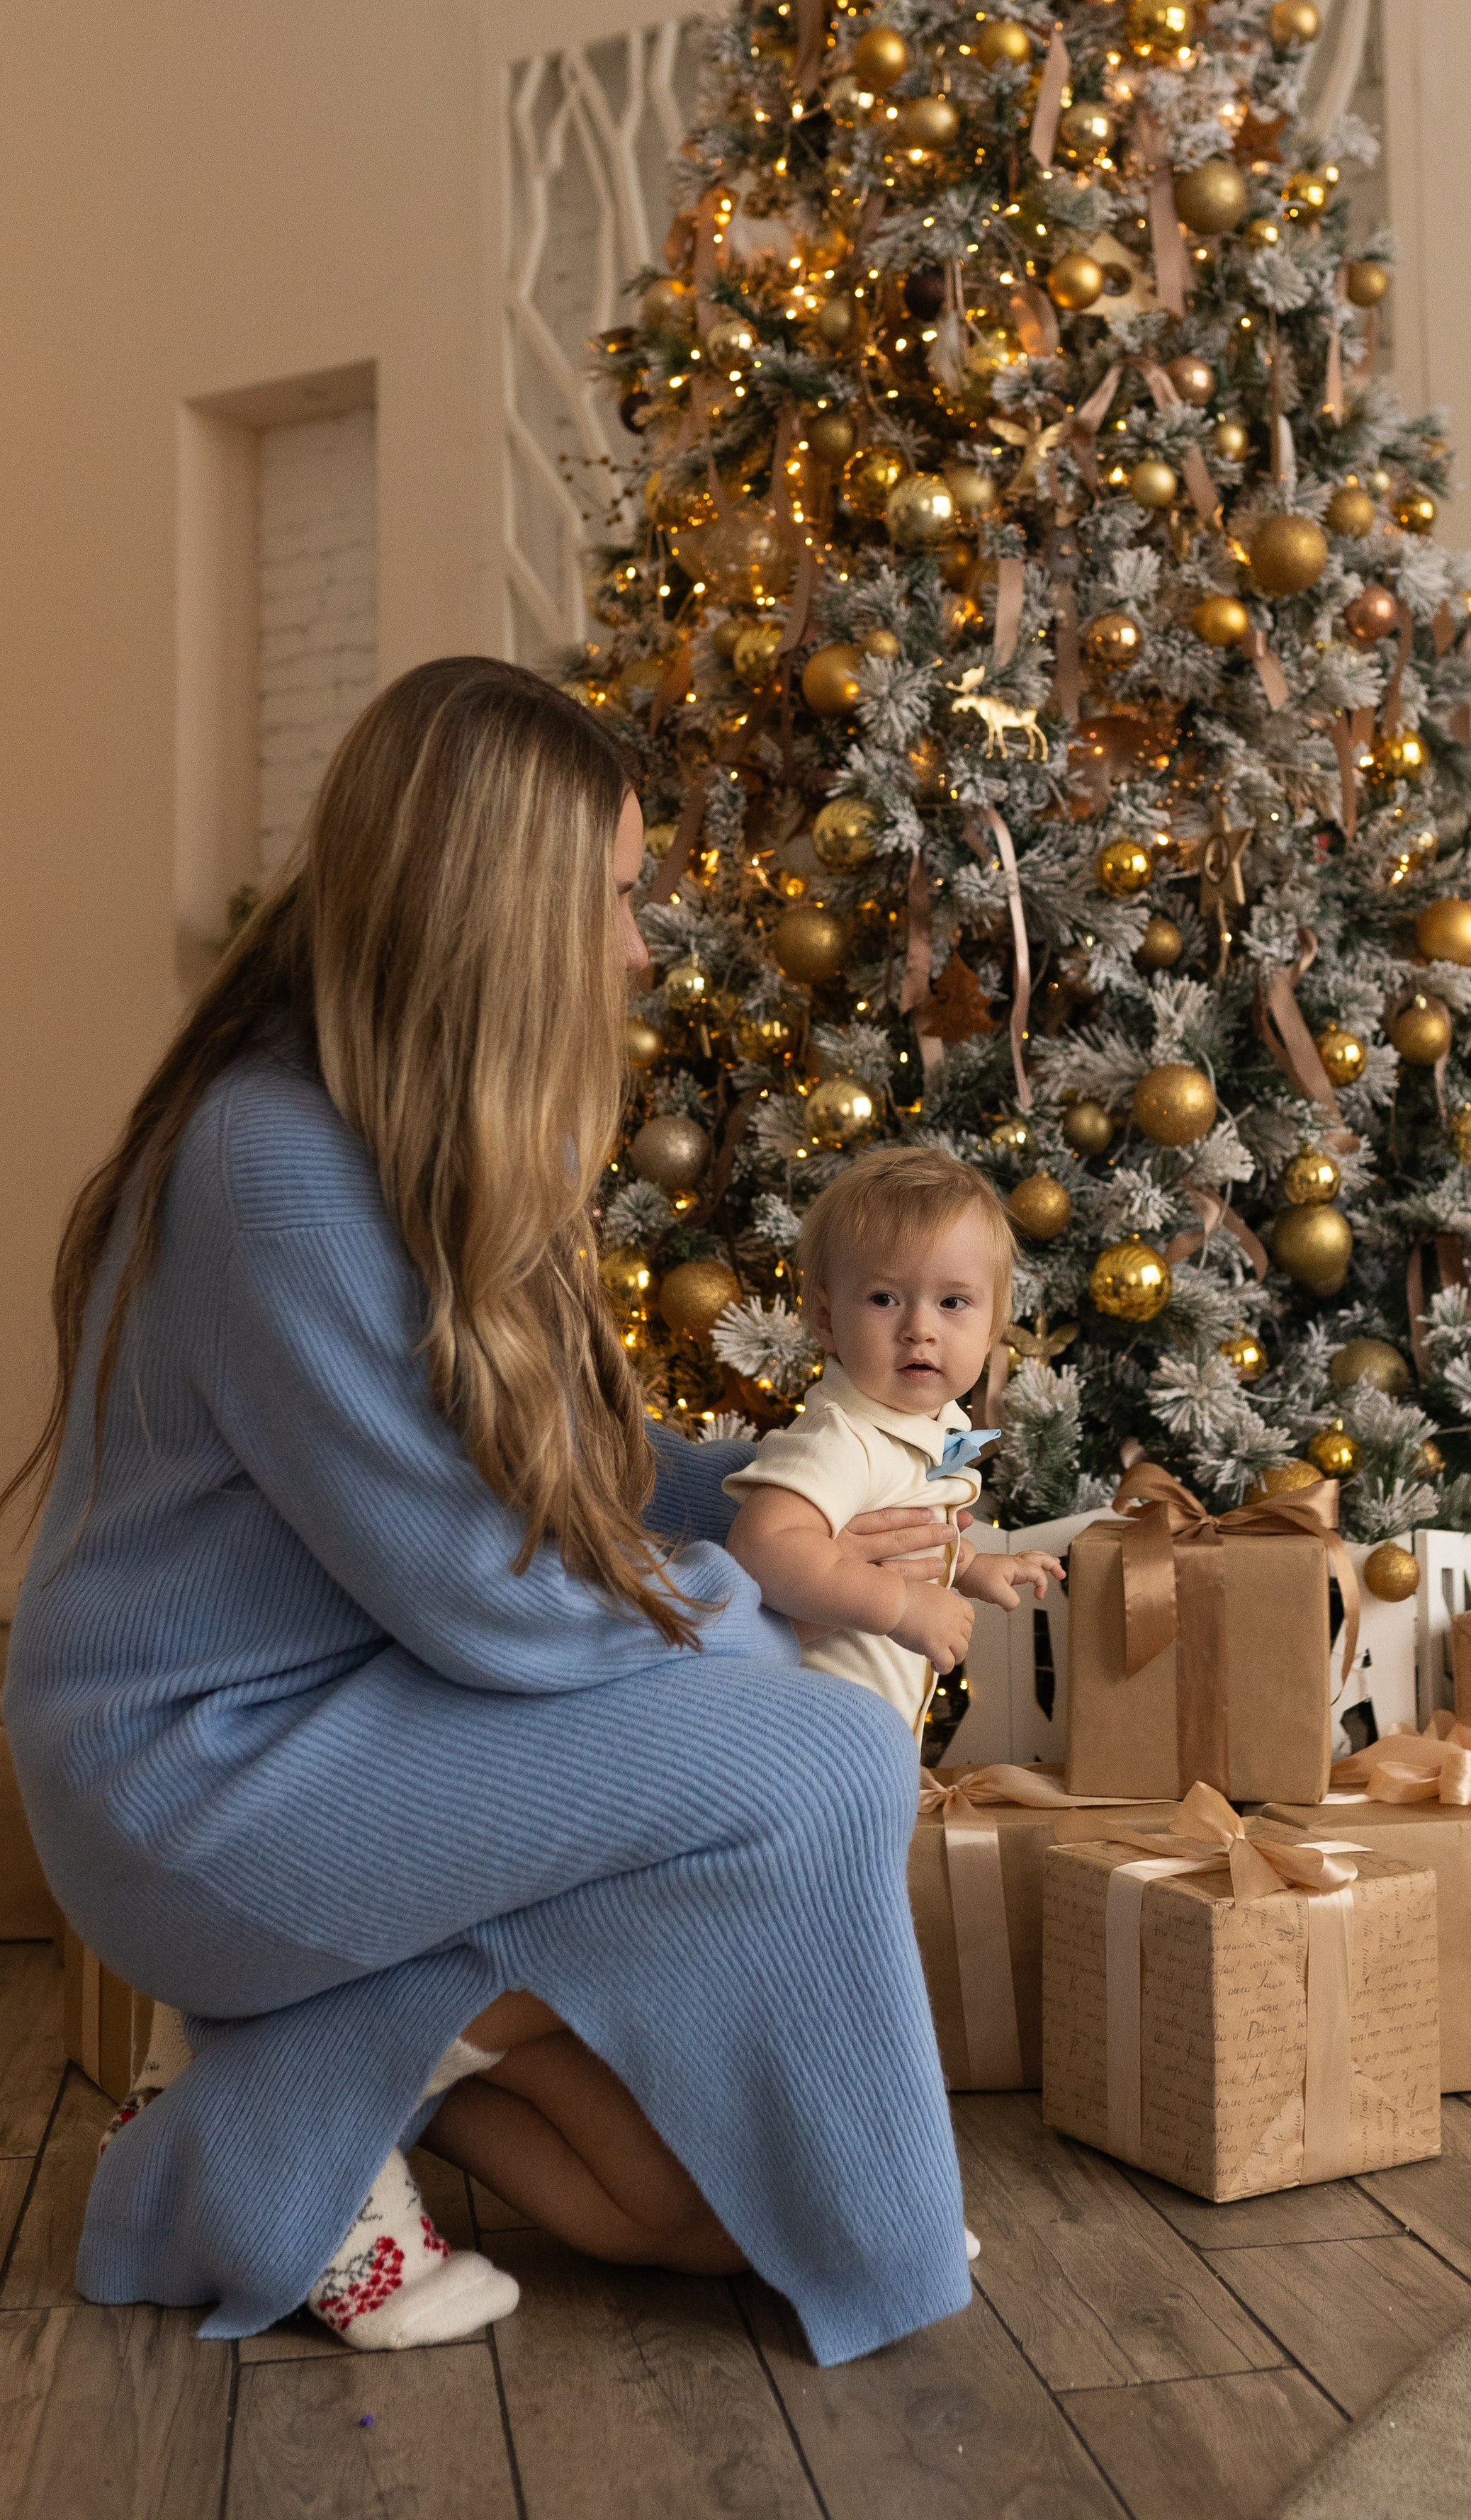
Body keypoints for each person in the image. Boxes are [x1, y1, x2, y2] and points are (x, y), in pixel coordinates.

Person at [1, 657, 974, 2363]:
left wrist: (779, 1493)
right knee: (819, 1744)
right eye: (612, 898)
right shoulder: (270, 1160)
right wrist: (755, 1583)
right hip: (202, 1778)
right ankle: (260, 2123)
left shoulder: (399, 1131)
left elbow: (560, 1467)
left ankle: (295, 2088)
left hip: (372, 1719)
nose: (636, 950)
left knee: (679, 2214)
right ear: (498, 910)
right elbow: (487, 1598)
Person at [723, 1148, 1061, 1739]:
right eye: (884, 1299)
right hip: (806, 1731)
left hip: (865, 1736)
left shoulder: (935, 1430)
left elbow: (906, 1535)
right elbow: (763, 1546)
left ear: (992, 1329)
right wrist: (899, 1606)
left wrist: (972, 1566)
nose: (919, 1329)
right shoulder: (842, 1438)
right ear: (826, 1319)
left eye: (952, 1302)